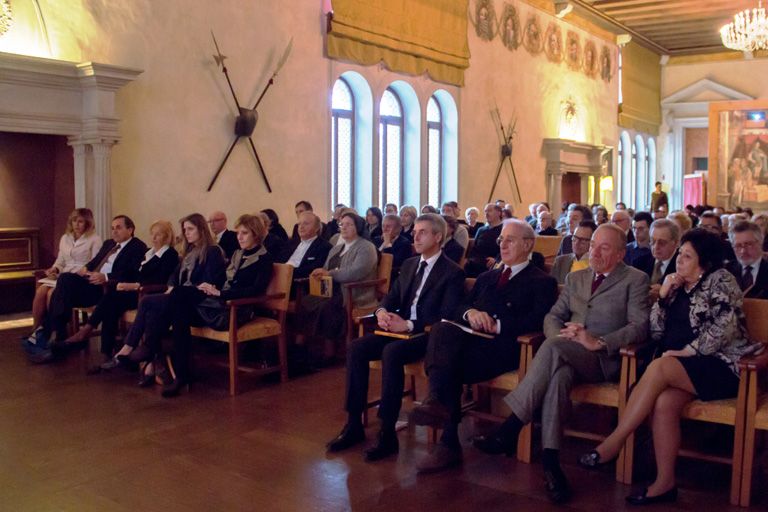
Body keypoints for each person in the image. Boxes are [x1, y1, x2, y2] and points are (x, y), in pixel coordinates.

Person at [577, 228, 762, 505]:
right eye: (680, 254)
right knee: (664, 402)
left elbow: (725, 326)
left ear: (704, 262)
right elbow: (655, 332)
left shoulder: (721, 280)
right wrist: (662, 297)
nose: (679, 260)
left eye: (687, 256)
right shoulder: (675, 285)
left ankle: (614, 442)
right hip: (683, 368)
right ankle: (665, 483)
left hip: (721, 365)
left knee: (661, 366)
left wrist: (688, 351)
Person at [471, 224, 650, 504]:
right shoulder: (576, 277)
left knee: (554, 349)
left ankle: (511, 427)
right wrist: (562, 338)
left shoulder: (635, 279)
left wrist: (597, 341)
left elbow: (639, 327)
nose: (595, 252)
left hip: (605, 359)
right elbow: (552, 317)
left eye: (604, 248)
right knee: (558, 375)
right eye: (593, 245)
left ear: (620, 254)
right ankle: (551, 464)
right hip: (567, 352)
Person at [410, 219, 558, 472]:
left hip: (505, 348)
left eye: (510, 240)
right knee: (441, 330)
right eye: (501, 240)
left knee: (446, 366)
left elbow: (537, 321)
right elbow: (459, 306)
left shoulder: (542, 281)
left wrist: (496, 325)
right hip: (471, 342)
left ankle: (446, 437)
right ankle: (439, 413)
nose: (503, 245)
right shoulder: (487, 277)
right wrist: (471, 314)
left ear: (528, 245)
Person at [326, 214, 465, 462]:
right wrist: (381, 312)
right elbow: (391, 297)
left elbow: (445, 316)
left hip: (427, 335)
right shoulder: (410, 264)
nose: (415, 236)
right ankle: (354, 424)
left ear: (438, 237)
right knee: (357, 348)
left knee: (392, 352)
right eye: (415, 232)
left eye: (422, 232)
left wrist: (408, 324)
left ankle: (387, 432)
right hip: (400, 329)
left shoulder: (452, 272)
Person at [160, 214, 274, 397]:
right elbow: (221, 280)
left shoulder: (264, 258)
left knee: (179, 294)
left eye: (244, 233)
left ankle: (155, 347)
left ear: (256, 234)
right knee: (180, 312)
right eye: (238, 233)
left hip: (237, 310)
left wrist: (220, 293)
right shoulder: (237, 254)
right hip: (217, 306)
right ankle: (181, 375)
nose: (239, 237)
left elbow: (256, 290)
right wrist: (210, 286)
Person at [116, 213, 226, 385]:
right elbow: (174, 276)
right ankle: (149, 360)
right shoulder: (189, 251)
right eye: (185, 230)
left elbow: (207, 284)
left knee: (152, 303)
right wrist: (172, 288)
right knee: (153, 306)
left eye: (190, 229)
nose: (186, 233)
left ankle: (142, 351)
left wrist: (177, 292)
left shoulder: (213, 251)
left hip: (202, 306)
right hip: (182, 301)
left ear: (201, 229)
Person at [23, 216, 148, 363]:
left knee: (59, 292)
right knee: (64, 280)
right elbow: (94, 262)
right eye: (112, 228)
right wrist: (86, 268)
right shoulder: (109, 244)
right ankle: (58, 336)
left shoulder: (137, 246)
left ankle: (53, 336)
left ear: (130, 229)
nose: (114, 232)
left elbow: (132, 273)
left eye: (118, 228)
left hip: (109, 288)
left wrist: (106, 277)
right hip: (92, 283)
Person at [64, 220, 179, 371]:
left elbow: (161, 279)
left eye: (158, 235)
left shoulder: (170, 254)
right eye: (152, 234)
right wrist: (124, 282)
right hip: (136, 291)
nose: (154, 237)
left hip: (150, 294)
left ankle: (86, 332)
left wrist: (135, 285)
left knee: (111, 299)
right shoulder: (148, 253)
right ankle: (106, 353)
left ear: (166, 237)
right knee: (111, 304)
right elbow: (134, 273)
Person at [296, 212, 378, 363]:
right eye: (342, 224)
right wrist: (319, 273)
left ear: (358, 227)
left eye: (349, 224)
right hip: (331, 289)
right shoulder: (336, 248)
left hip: (353, 292)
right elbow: (326, 268)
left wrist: (329, 274)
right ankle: (301, 347)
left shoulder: (366, 248)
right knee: (307, 301)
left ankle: (330, 351)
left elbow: (355, 272)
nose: (344, 228)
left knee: (329, 306)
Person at [31, 208, 101, 332]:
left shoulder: (94, 239)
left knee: (51, 293)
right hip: (64, 275)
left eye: (80, 221)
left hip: (80, 278)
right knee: (40, 292)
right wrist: (55, 269)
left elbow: (97, 263)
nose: (76, 225)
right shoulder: (65, 238)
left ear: (87, 223)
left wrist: (86, 271)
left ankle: (58, 332)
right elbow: (61, 260)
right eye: (74, 221)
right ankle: (36, 332)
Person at [279, 212, 332, 298]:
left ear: (317, 228)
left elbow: (314, 270)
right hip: (280, 279)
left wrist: (287, 272)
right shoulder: (290, 243)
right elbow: (279, 261)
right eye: (299, 224)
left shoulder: (324, 247)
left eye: (306, 223)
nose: (301, 227)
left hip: (299, 285)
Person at [633, 218, 680, 291]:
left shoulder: (682, 265)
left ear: (676, 242)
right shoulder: (639, 263)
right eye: (653, 241)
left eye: (662, 243)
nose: (656, 247)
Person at [726, 220, 768, 299]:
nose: (743, 251)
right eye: (738, 245)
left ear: (760, 243)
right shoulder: (726, 270)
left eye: (749, 244)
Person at [464, 203, 503, 278]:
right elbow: (475, 249)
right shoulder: (481, 230)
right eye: (485, 211)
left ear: (499, 213)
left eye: (489, 211)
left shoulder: (503, 230)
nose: (486, 213)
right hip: (477, 261)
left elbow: (506, 248)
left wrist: (496, 259)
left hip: (493, 263)